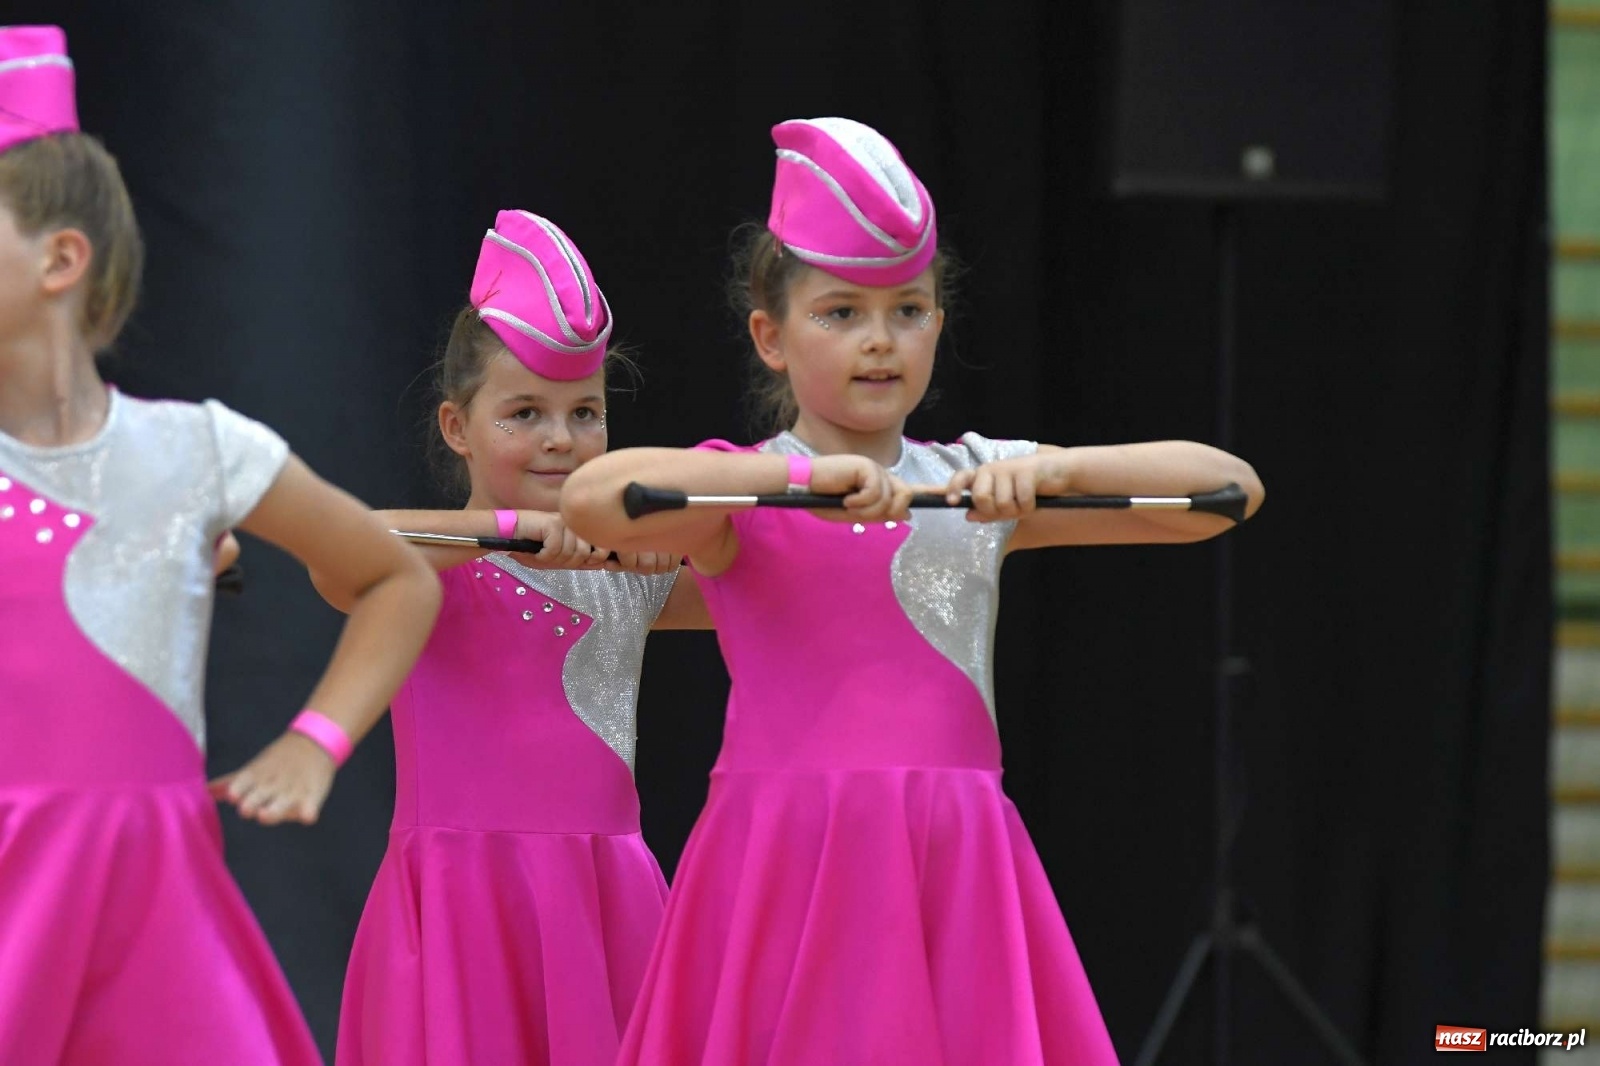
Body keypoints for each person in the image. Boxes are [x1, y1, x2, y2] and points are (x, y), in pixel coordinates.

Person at [561, 116, 1265, 1065]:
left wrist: (1050, 475)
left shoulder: (971, 482)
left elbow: (1225, 491)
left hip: (952, 857)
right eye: (840, 313)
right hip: (785, 860)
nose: (880, 341)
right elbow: (597, 499)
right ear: (770, 336)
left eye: (910, 309)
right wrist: (803, 484)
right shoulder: (740, 489)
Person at [0, 24, 441, 1065]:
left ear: (63, 258)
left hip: (156, 913)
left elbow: (395, 576)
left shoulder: (197, 451)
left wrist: (317, 741)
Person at [329, 210, 706, 1066]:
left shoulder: (628, 572)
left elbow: (771, 591)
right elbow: (344, 546)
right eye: (524, 413)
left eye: (586, 413)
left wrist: (661, 532)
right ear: (457, 428)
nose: (560, 440)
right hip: (464, 912)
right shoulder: (425, 570)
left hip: (609, 908)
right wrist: (511, 531)